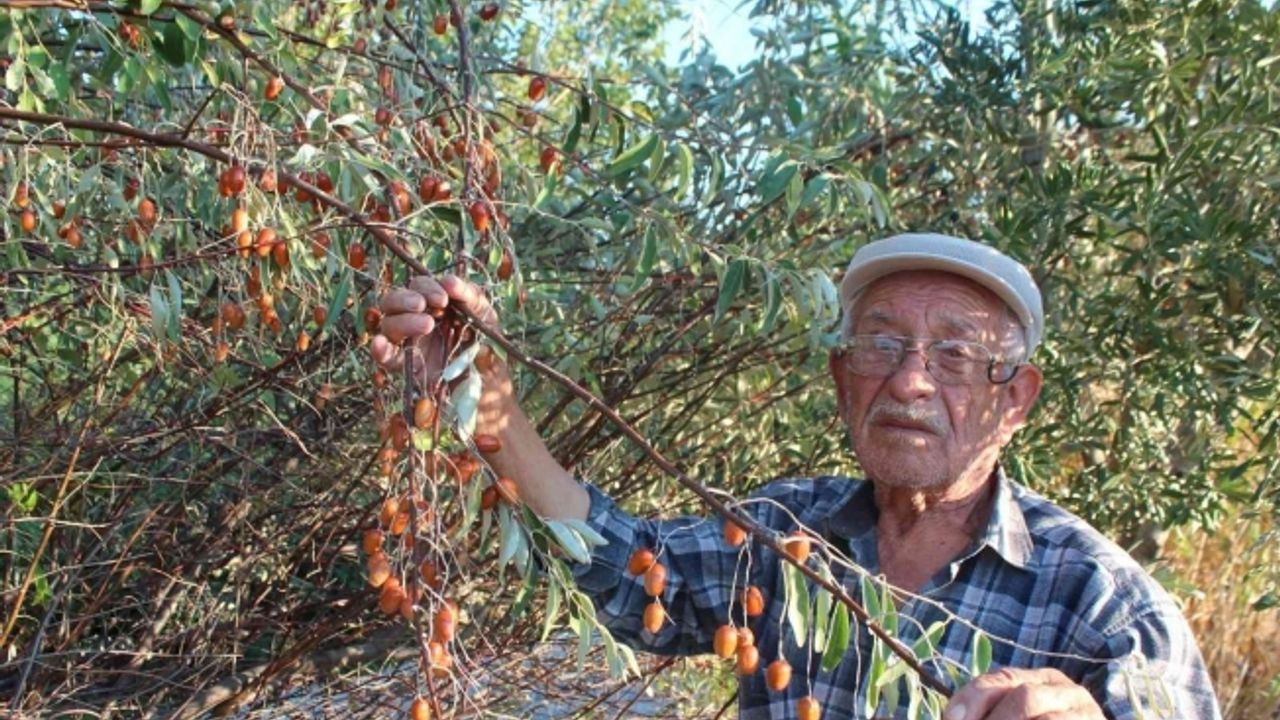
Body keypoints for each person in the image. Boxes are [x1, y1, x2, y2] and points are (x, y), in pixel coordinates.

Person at [372, 232, 1221, 719]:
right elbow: (629, 576)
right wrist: (487, 406)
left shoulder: (1105, 605)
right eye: (882, 344)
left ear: (1016, 399)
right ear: (841, 378)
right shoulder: (787, 531)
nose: (911, 379)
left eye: (955, 355)